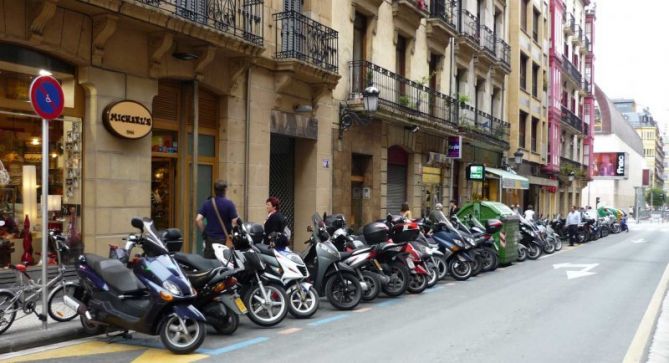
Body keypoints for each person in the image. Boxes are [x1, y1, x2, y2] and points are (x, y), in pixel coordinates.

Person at [195, 180, 238, 259]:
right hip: (224, 241)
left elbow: (198, 220)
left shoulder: (207, 203)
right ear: (225, 190)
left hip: (210, 241)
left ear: (214, 190)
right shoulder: (229, 204)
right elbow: (234, 221)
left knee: (209, 264)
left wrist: (205, 232)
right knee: (224, 265)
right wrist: (231, 234)